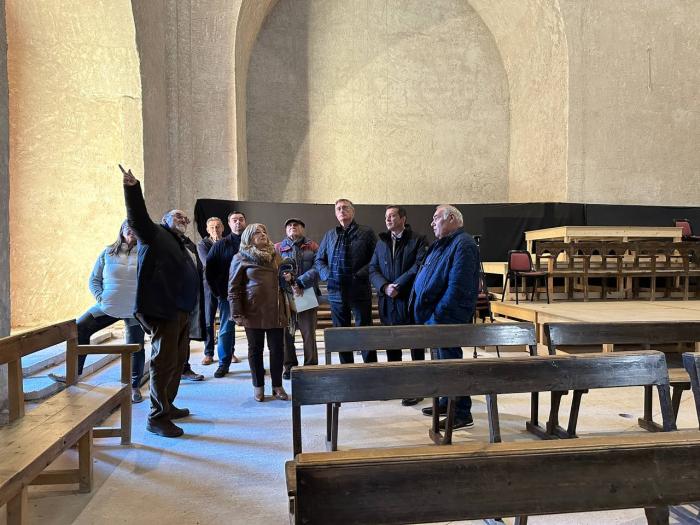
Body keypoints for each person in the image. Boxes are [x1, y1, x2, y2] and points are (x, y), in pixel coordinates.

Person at [121, 165, 198, 438]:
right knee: (163, 362)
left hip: (181, 311)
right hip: (163, 310)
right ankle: (156, 417)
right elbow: (137, 217)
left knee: (177, 361)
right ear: (164, 219)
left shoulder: (182, 243)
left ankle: (168, 404)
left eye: (185, 218)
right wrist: (132, 189)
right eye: (177, 216)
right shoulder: (153, 233)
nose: (183, 220)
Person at [49, 220, 146, 404]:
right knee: (79, 328)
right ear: (121, 231)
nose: (131, 231)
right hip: (106, 306)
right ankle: (74, 374)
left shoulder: (144, 253)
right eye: (128, 228)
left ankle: (133, 387)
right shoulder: (107, 252)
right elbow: (94, 279)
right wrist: (101, 298)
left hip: (133, 309)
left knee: (136, 346)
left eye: (135, 228)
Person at [412, 204, 479, 430]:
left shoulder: (464, 244)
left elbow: (457, 287)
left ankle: (461, 413)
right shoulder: (446, 243)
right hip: (436, 317)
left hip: (448, 318)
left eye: (435, 218)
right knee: (442, 363)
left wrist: (438, 314)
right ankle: (444, 402)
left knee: (452, 365)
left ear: (450, 218)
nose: (432, 223)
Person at [369, 205, 428, 405]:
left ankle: (416, 387)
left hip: (408, 299)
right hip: (387, 300)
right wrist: (384, 286)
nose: (388, 219)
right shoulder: (381, 243)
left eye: (393, 215)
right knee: (390, 341)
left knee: (414, 344)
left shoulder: (418, 240)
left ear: (403, 218)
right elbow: (373, 269)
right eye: (386, 216)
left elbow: (419, 266)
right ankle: (395, 384)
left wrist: (399, 285)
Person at [228, 223, 289, 402]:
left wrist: (288, 276)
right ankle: (258, 386)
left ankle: (277, 386)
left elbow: (284, 276)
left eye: (264, 231)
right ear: (248, 237)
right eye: (257, 232)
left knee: (277, 349)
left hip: (276, 310)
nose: (262, 234)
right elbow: (233, 288)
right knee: (255, 350)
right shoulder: (240, 257)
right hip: (252, 311)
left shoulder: (275, 256)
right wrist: (236, 313)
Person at [315, 199, 377, 363]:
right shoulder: (330, 234)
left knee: (364, 331)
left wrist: (359, 275)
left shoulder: (366, 232)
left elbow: (375, 259)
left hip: (359, 289)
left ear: (353, 211)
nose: (342, 210)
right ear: (336, 213)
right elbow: (319, 260)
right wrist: (327, 275)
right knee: (341, 332)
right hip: (336, 291)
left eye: (345, 208)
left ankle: (370, 366)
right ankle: (346, 368)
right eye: (338, 209)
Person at [274, 218, 320, 380]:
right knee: (287, 334)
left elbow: (318, 267)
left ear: (303, 229)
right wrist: (287, 280)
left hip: (306, 293)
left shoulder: (312, 246)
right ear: (286, 230)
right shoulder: (278, 247)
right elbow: (274, 269)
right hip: (285, 295)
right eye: (289, 226)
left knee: (309, 334)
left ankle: (311, 366)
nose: (292, 227)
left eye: (296, 225)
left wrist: (300, 282)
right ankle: (289, 366)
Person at [205, 211, 246, 378]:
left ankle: (255, 364)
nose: (238, 223)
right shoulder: (220, 245)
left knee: (254, 331)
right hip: (228, 296)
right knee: (225, 331)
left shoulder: (252, 243)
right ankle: (224, 364)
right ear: (229, 224)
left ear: (245, 222)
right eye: (234, 220)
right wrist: (218, 293)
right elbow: (210, 270)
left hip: (252, 295)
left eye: (241, 220)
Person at [196, 217, 224, 365]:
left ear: (223, 228)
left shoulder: (228, 242)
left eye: (218, 227)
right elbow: (207, 263)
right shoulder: (202, 244)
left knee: (227, 321)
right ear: (207, 230)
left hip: (225, 286)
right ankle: (209, 353)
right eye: (212, 227)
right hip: (208, 287)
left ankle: (227, 352)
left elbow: (234, 262)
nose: (215, 230)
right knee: (208, 320)